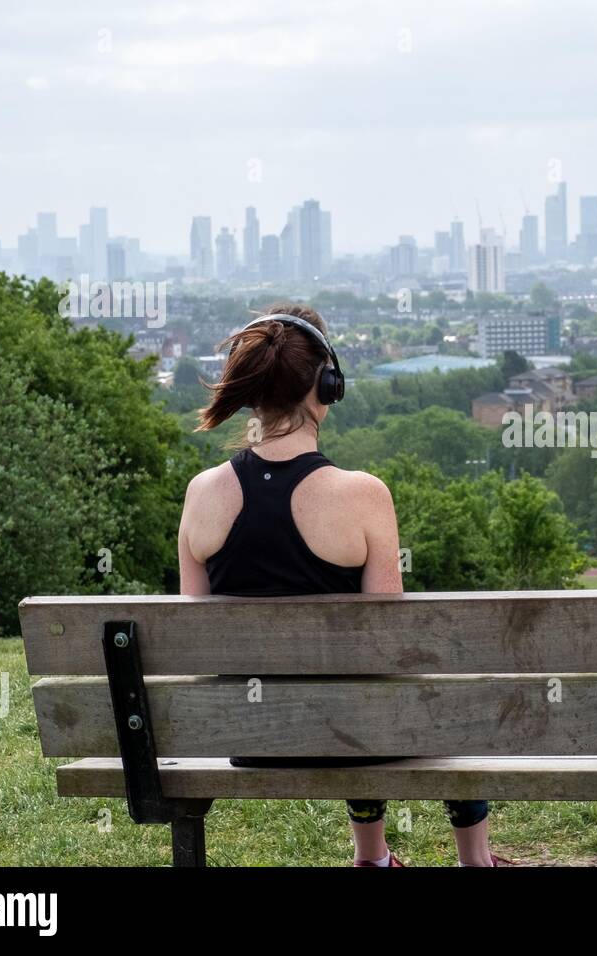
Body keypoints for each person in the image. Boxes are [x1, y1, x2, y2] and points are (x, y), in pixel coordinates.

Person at [176, 302, 505, 867]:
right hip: (355, 731)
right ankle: (475, 861)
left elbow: (192, 635)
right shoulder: (363, 495)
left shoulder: (201, 494)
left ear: (250, 391)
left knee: (357, 693)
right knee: (415, 691)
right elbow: (387, 646)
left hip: (249, 737)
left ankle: (373, 858)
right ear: (326, 387)